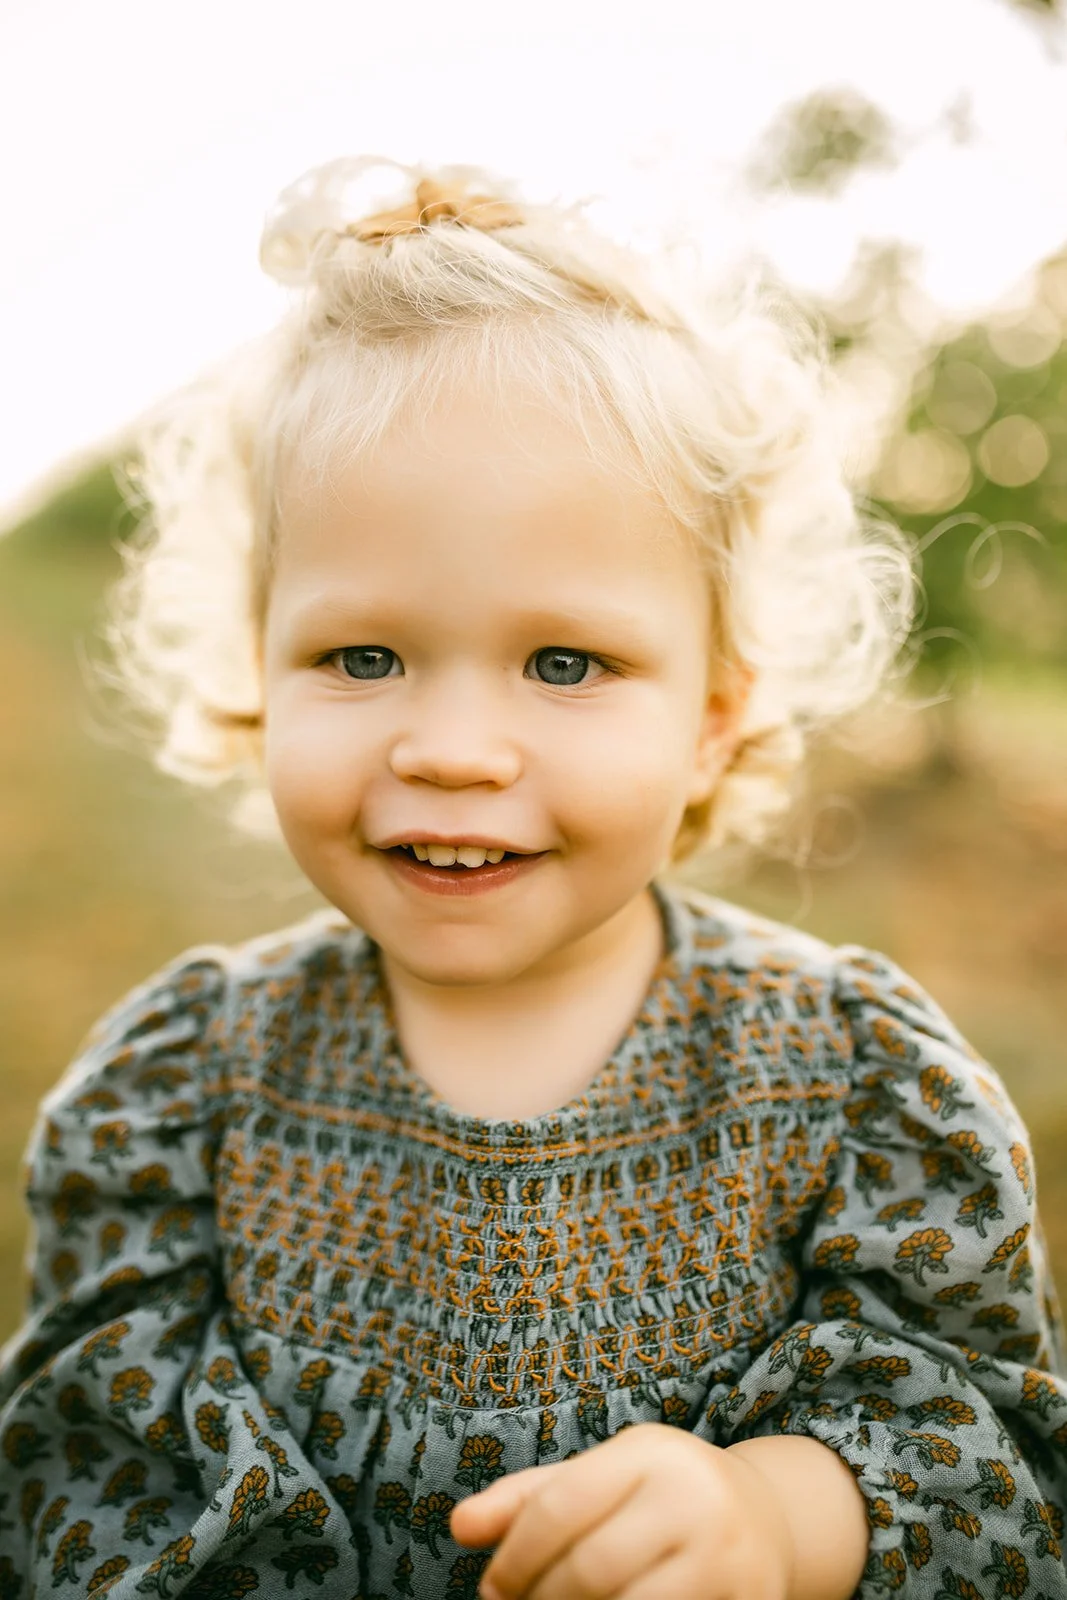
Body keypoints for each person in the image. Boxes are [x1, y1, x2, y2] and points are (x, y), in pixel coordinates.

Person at [0, 155, 1064, 1600]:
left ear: (712, 717)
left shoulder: (854, 1088)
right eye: (360, 657)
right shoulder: (176, 1097)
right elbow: (79, 1492)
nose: (448, 750)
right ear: (259, 673)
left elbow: (990, 1471)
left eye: (565, 663)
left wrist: (775, 1517)